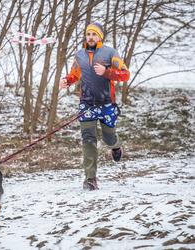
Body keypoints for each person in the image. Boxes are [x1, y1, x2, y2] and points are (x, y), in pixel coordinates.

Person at [59, 22, 130, 191]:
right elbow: (75, 74)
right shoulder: (80, 55)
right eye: (88, 34)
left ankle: (116, 146)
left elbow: (126, 74)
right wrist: (67, 81)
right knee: (88, 140)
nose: (90, 37)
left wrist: (106, 72)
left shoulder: (110, 53)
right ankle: (90, 179)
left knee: (108, 138)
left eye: (94, 34)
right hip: (87, 104)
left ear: (100, 37)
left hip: (107, 104)